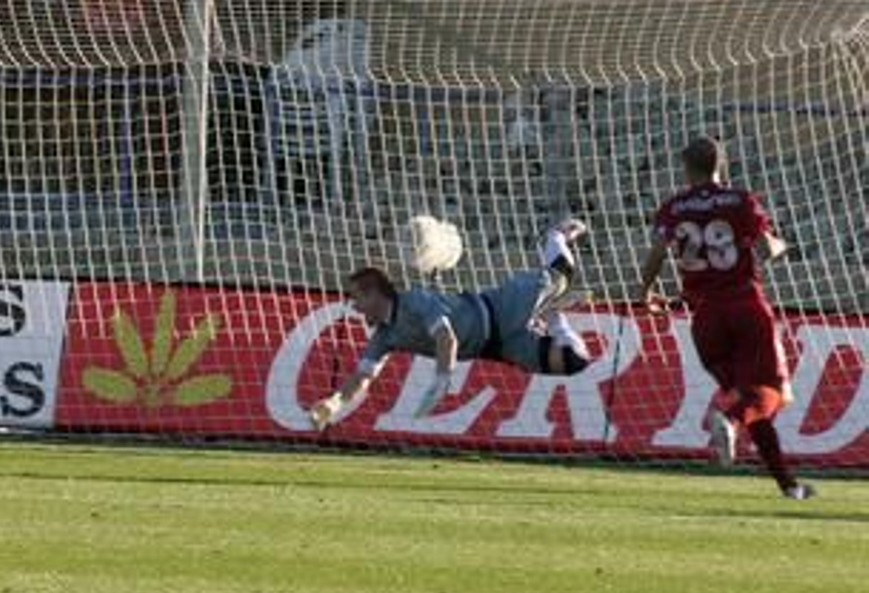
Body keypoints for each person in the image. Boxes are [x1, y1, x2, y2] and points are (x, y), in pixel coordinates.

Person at [636, 137, 812, 500]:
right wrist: (782, 244)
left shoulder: (674, 207)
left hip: (706, 321)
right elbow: (766, 250)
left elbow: (656, 253)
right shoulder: (739, 200)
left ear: (686, 168)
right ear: (722, 164)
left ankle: (787, 484)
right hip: (747, 309)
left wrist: (645, 291)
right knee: (771, 394)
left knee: (749, 400)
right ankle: (727, 420)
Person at [309, 217, 593, 430]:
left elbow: (447, 338)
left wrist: (442, 380)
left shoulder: (415, 300)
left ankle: (555, 236)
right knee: (575, 361)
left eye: (357, 297)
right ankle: (553, 316)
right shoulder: (385, 336)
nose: (354, 306)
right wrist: (333, 403)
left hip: (501, 308)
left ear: (374, 292)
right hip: (498, 346)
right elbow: (363, 377)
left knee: (562, 274)